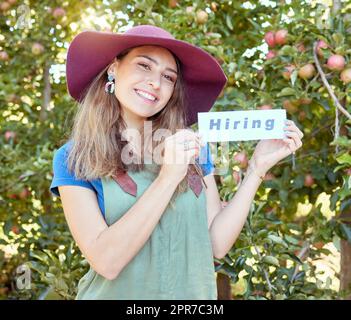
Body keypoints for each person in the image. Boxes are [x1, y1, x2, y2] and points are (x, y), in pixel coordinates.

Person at [50, 25, 303, 300]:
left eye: (168, 77)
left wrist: (256, 170)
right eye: (144, 65)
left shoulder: (193, 151)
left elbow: (216, 244)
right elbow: (107, 262)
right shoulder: (74, 157)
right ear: (114, 68)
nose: (155, 83)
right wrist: (168, 176)